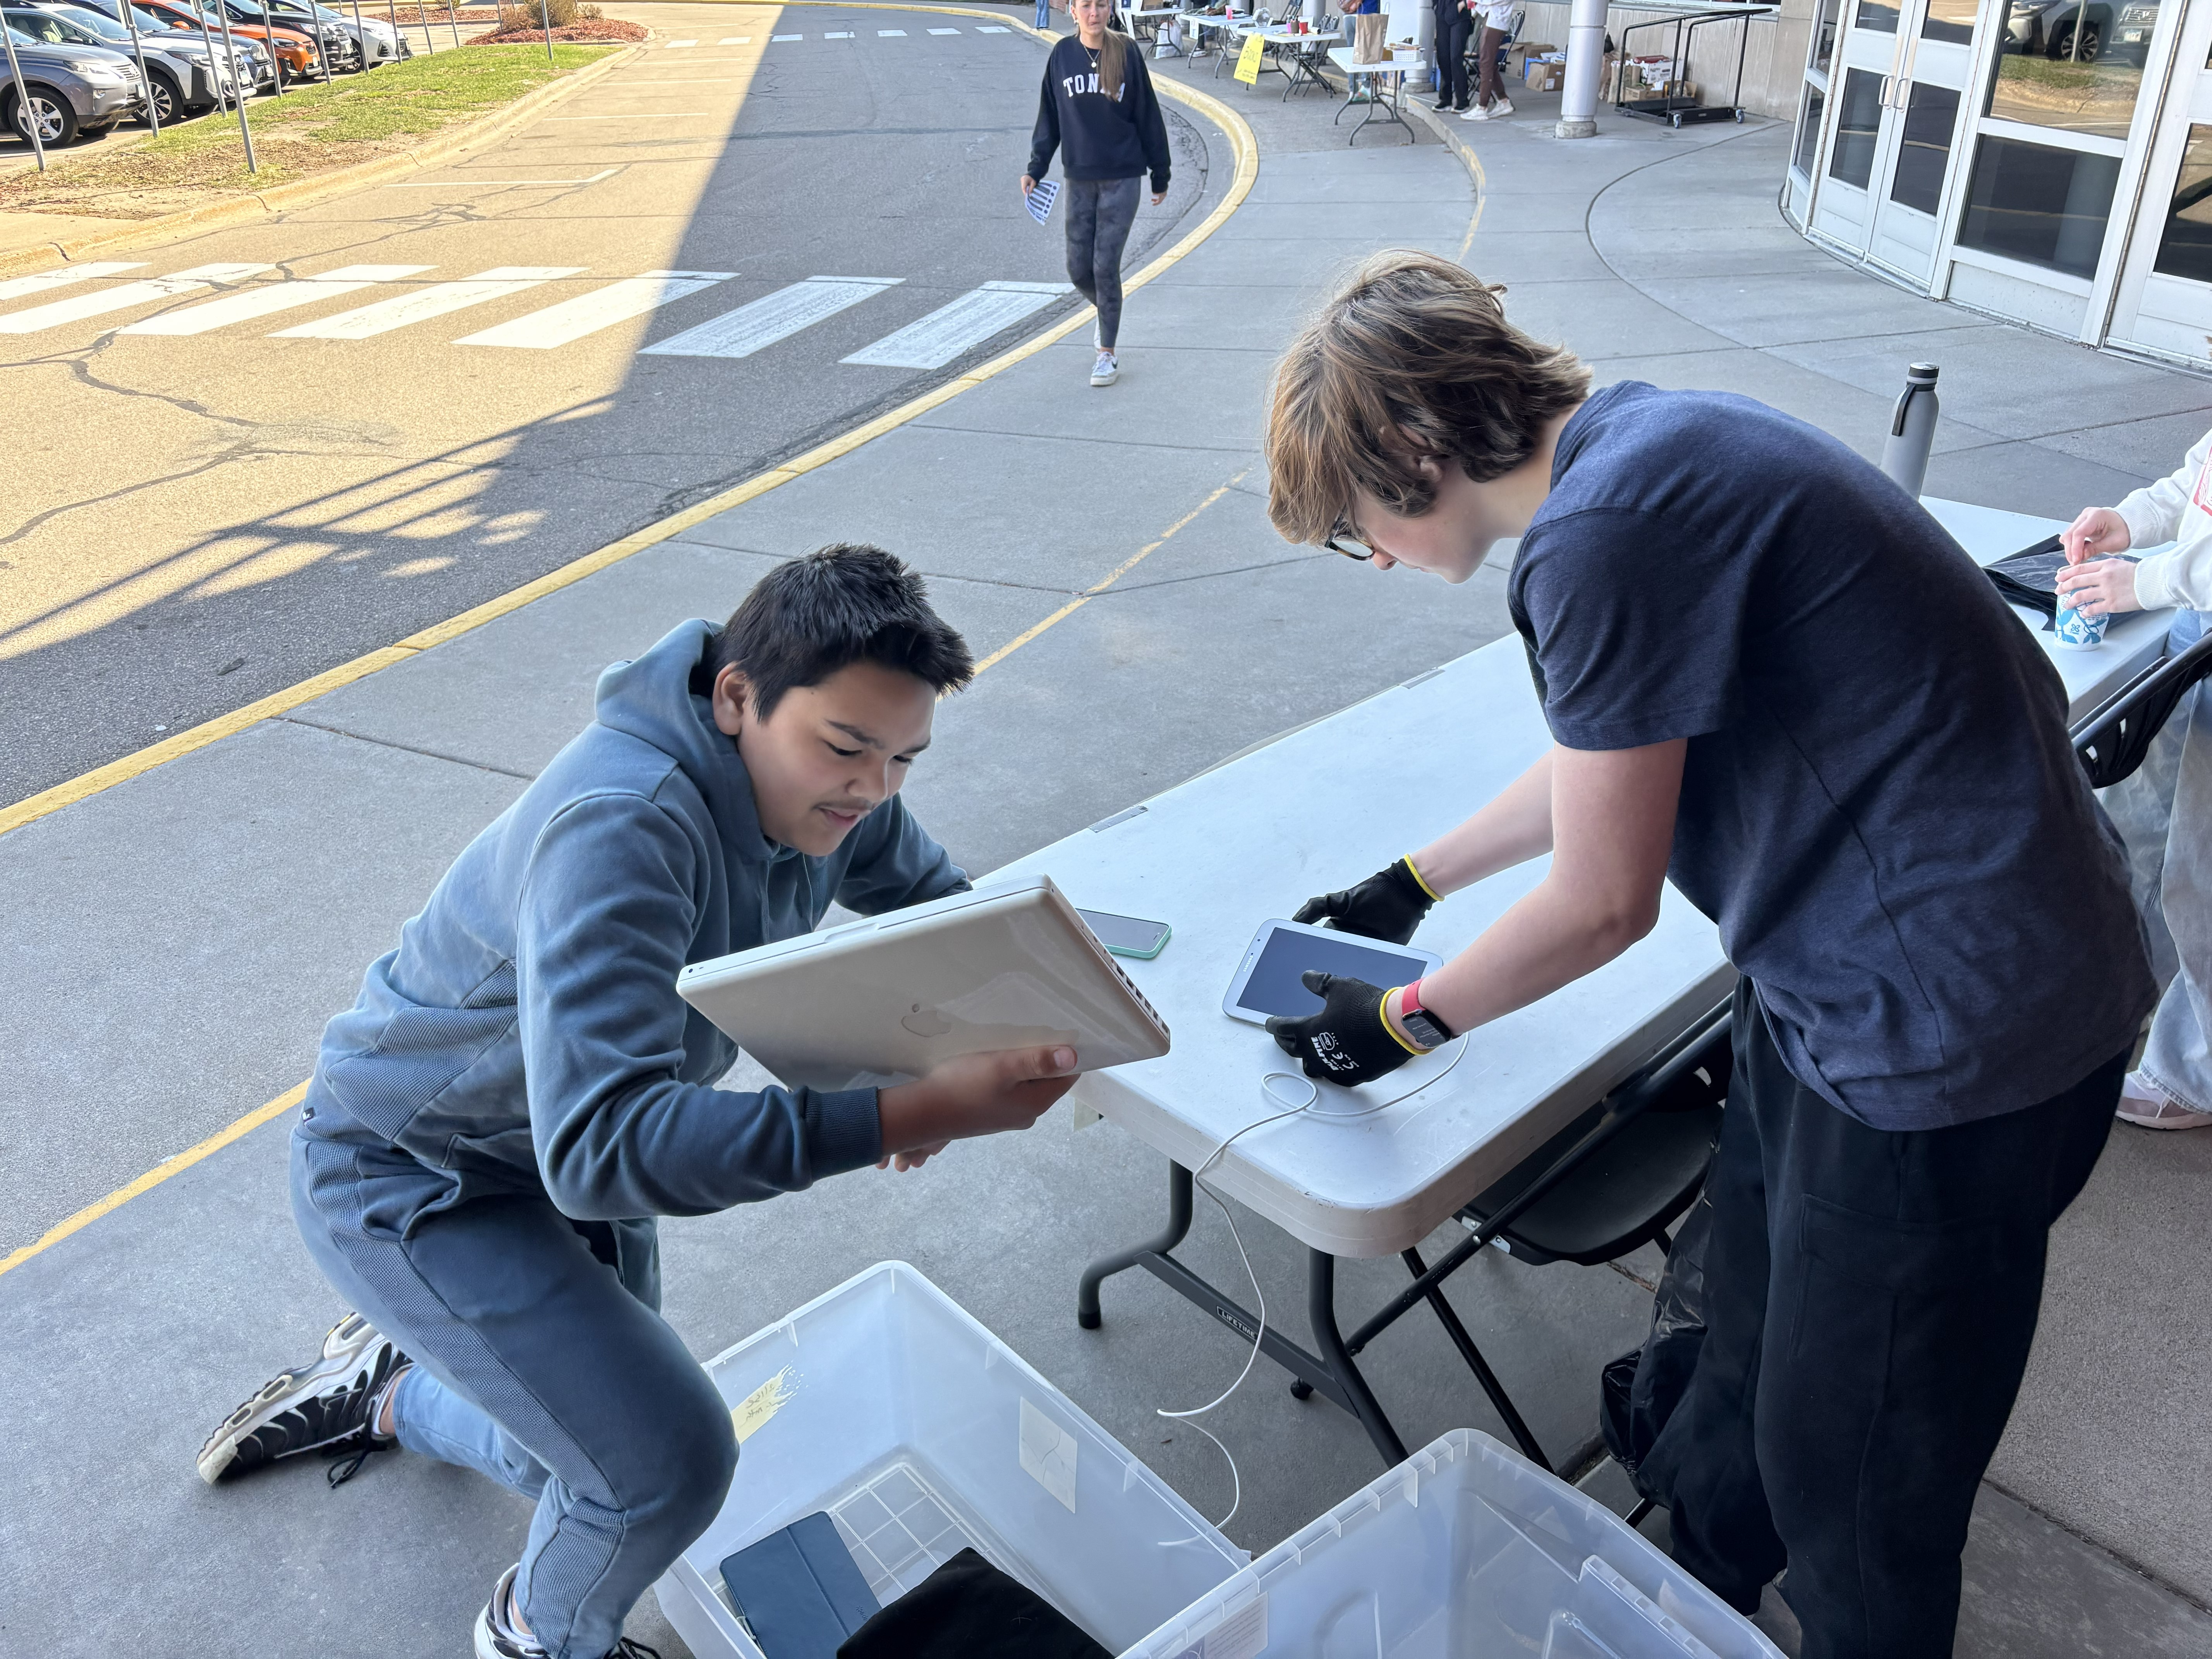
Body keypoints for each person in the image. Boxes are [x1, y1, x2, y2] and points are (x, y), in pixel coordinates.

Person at [1261, 250, 2153, 1659]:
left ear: (1411, 449)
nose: (1366, 553)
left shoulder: (1601, 532)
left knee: (1856, 1475)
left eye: (1350, 523)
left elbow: (1602, 901)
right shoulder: (1651, 447)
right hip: (1898, 987)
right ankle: (1691, 1596)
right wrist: (1410, 882)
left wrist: (1405, 1021)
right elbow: (1611, 751)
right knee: (1748, 1340)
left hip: (1949, 1042)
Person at [196, 547, 1082, 1659]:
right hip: (409, 1169)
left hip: (543, 1143)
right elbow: (606, 1145)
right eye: (847, 746)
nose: (873, 790)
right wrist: (907, 1113)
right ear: (736, 696)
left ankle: (391, 1391)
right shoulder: (622, 821)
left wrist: (1019, 1022)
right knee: (661, 1464)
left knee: (582, 1450)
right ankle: (536, 1632)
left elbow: (941, 915)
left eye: (905, 757)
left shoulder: (836, 796)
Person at [2056, 425, 2212, 1130]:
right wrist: (2131, 521)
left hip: (2189, 608)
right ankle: (2115, 1006)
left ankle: (2194, 1071)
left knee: (2200, 875)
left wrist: (2144, 581)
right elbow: (2198, 482)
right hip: (2193, 624)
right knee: (2134, 831)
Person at [1022, 0, 1170, 390]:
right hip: (1080, 178)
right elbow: (1049, 117)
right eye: (1086, 5)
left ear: (1109, 10)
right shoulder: (1062, 55)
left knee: (1105, 265)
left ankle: (1107, 352)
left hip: (1123, 176)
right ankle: (1108, 311)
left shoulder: (1126, 52)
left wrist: (1161, 172)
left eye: (1101, 4)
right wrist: (1036, 167)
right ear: (1072, 10)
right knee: (1078, 269)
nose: (1094, 13)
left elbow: (1148, 114)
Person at [1463, 0, 1512, 119]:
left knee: (1486, 64)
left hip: (1497, 21)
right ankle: (1503, 100)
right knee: (1488, 63)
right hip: (1493, 19)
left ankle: (1482, 107)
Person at [1431, 0, 1474, 112]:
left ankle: (1462, 101)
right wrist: (1435, 6)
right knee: (1443, 57)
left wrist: (1463, 4)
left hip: (1460, 15)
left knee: (1455, 58)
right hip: (1442, 12)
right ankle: (1445, 99)